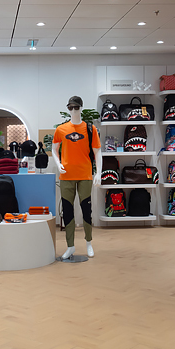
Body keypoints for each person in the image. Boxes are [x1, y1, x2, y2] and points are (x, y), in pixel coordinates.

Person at [52, 96, 101, 260]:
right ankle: (70, 246)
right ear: (68, 108)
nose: (73, 111)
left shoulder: (90, 129)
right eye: (70, 108)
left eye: (76, 107)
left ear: (81, 108)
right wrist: (58, 164)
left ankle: (89, 243)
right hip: (66, 176)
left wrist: (99, 173)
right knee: (67, 211)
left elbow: (97, 152)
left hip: (85, 175)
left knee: (87, 210)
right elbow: (54, 149)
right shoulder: (61, 129)